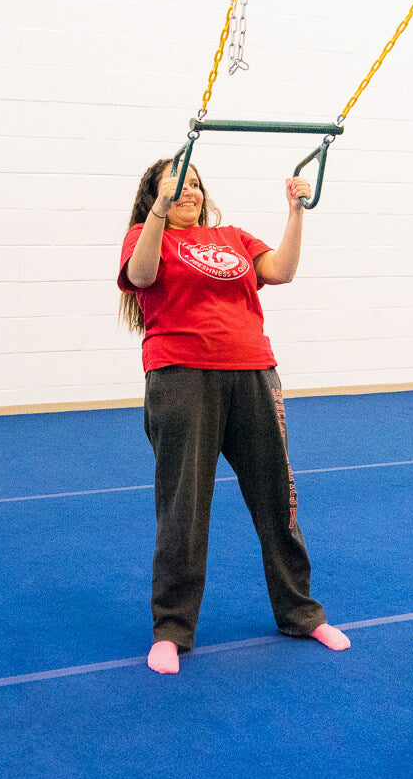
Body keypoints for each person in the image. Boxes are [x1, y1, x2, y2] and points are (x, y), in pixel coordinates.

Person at [117, 158, 350, 674]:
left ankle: (301, 613)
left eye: (196, 184)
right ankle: (171, 631)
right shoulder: (146, 234)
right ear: (155, 196)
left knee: (277, 498)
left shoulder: (234, 237)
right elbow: (139, 275)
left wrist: (295, 211)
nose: (189, 192)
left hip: (253, 372)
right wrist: (158, 213)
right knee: (184, 506)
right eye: (177, 185)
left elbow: (282, 271)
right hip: (181, 375)